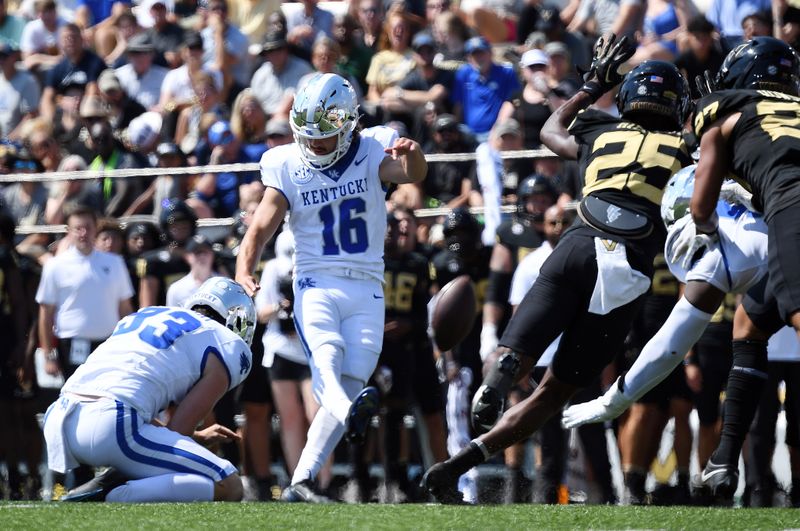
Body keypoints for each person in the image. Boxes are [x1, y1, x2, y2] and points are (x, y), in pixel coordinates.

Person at [422, 35, 692, 504]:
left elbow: (549, 131)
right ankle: (464, 461)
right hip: (626, 267)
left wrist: (588, 88)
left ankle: (502, 372)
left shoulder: (602, 130)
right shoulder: (684, 149)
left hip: (576, 246)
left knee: (518, 352)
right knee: (552, 394)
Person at [234, 72, 427, 502]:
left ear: (348, 125)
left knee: (353, 380)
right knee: (326, 363)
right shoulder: (286, 163)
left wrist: (412, 155)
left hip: (367, 285)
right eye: (309, 136)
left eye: (325, 136)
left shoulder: (373, 148)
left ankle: (301, 481)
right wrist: (244, 267)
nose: (315, 145)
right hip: (316, 281)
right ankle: (346, 415)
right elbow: (260, 226)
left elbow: (411, 173)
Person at [669, 35, 800, 503]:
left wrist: (704, 230)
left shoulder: (725, 111)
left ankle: (725, 461)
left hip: (793, 204)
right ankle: (724, 460)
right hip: (788, 201)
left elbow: (701, 203)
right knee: (749, 322)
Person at [43, 276, 256, 503]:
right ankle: (107, 494)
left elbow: (127, 397)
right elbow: (177, 430)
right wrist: (189, 437)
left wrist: (196, 438)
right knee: (229, 484)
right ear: (237, 318)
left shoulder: (147, 313)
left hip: (60, 416)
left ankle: (102, 486)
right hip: (112, 426)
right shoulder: (227, 343)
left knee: (144, 451)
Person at [36, 203, 135, 380]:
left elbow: (125, 308)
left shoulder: (115, 263)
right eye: (78, 228)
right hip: (72, 345)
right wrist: (48, 355)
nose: (83, 233)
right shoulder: (55, 266)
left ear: (95, 228)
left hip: (109, 344)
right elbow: (45, 314)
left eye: (87, 228)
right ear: (69, 230)